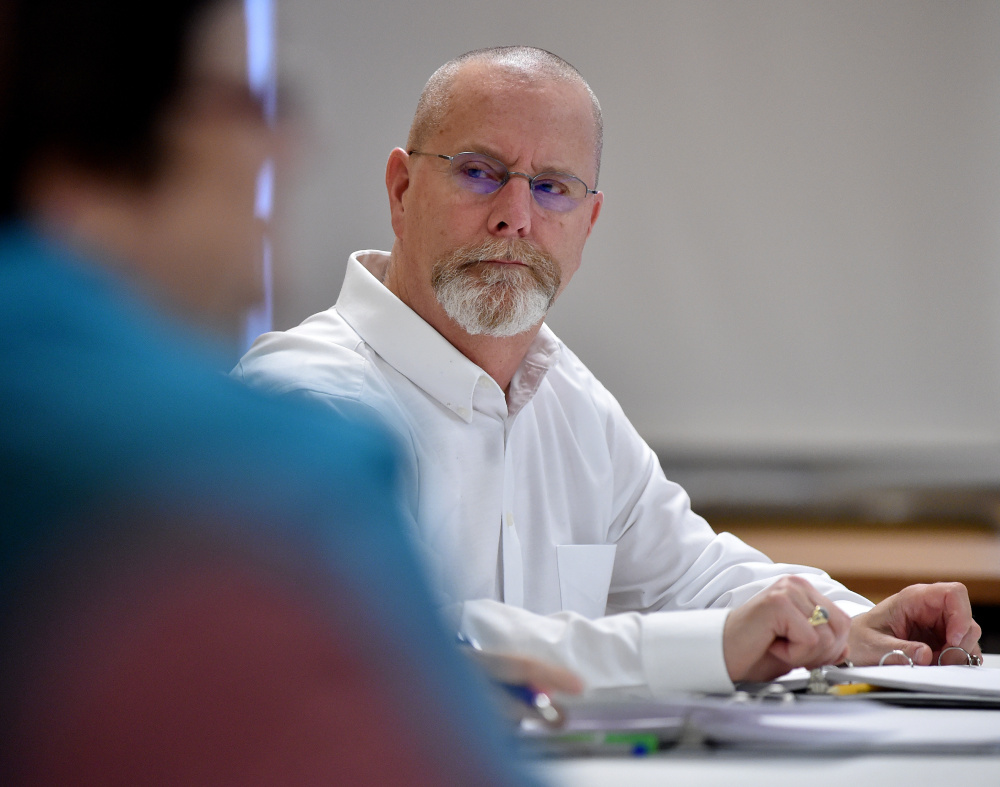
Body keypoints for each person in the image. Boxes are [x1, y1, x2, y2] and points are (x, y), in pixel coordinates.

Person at [234, 46, 982, 697]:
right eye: (479, 171)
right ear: (401, 191)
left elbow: (689, 574)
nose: (515, 216)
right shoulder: (304, 400)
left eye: (553, 186)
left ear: (587, 224)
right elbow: (397, 641)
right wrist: (710, 647)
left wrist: (844, 622)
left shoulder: (568, 400)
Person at [0, 4, 546, 784]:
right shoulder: (264, 469)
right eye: (258, 105)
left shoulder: (564, 391)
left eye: (553, 186)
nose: (292, 147)